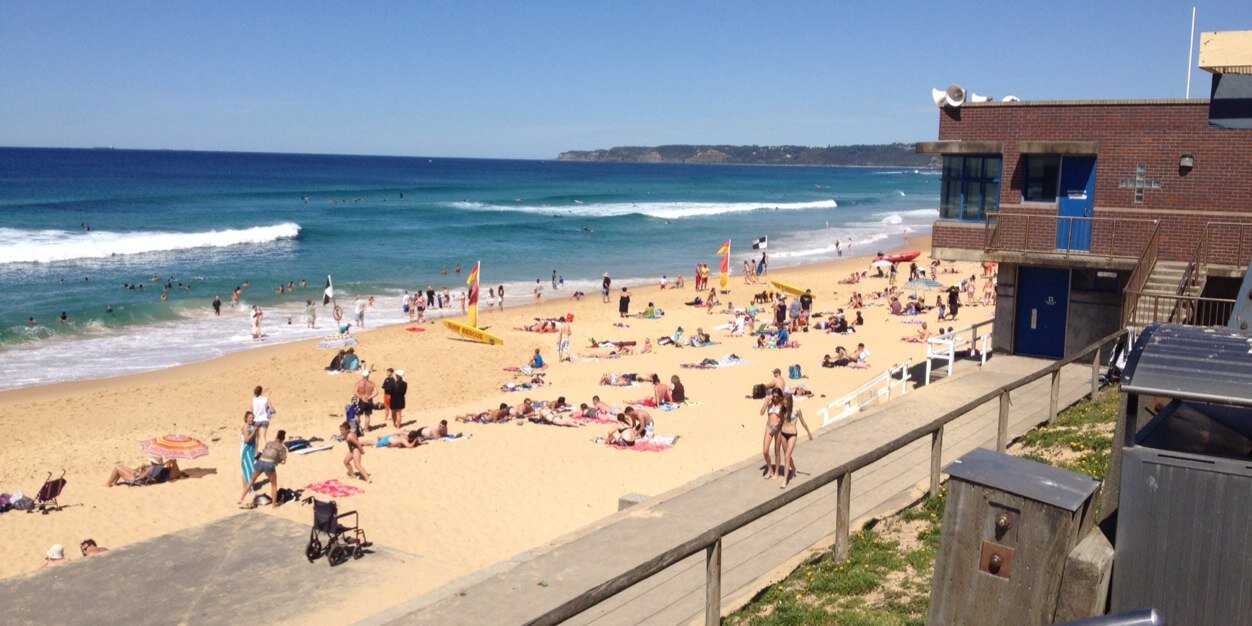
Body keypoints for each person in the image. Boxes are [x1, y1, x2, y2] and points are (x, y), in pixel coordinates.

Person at [238, 430, 287, 507]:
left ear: (276, 436)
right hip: (269, 464)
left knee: (251, 481)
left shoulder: (269, 443)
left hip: (260, 462)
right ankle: (274, 505)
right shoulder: (282, 448)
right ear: (283, 439)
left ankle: (241, 498)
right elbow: (283, 461)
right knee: (273, 485)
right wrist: (278, 460)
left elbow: (264, 452)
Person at [775, 393, 813, 489]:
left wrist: (808, 432)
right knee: (787, 456)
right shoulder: (782, 409)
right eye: (783, 403)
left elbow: (803, 421)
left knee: (787, 456)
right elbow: (780, 421)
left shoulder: (796, 410)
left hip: (792, 435)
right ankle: (794, 469)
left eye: (786, 403)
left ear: (790, 401)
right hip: (783, 434)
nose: (785, 405)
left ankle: (785, 480)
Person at [106, 457, 182, 486]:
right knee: (120, 466)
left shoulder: (153, 468)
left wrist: (143, 469)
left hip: (135, 478)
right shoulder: (158, 468)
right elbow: (172, 470)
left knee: (117, 467)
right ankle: (114, 483)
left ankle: (108, 484)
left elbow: (141, 477)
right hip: (138, 473)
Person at [760, 388, 784, 479]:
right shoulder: (769, 404)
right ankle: (770, 469)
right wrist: (766, 403)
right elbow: (761, 413)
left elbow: (784, 419)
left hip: (778, 429)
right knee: (765, 451)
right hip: (769, 427)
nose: (774, 398)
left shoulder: (782, 405)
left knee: (777, 451)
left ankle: (776, 472)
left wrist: (778, 423)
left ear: (780, 397)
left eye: (776, 397)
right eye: (773, 396)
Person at [240, 410, 258, 489]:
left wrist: (257, 448)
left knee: (252, 467)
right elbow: (247, 439)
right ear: (246, 418)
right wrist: (254, 432)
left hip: (252, 448)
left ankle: (248, 485)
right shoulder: (245, 427)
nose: (251, 419)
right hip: (247, 448)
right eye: (250, 418)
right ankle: (247, 487)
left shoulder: (252, 426)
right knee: (247, 468)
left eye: (252, 418)